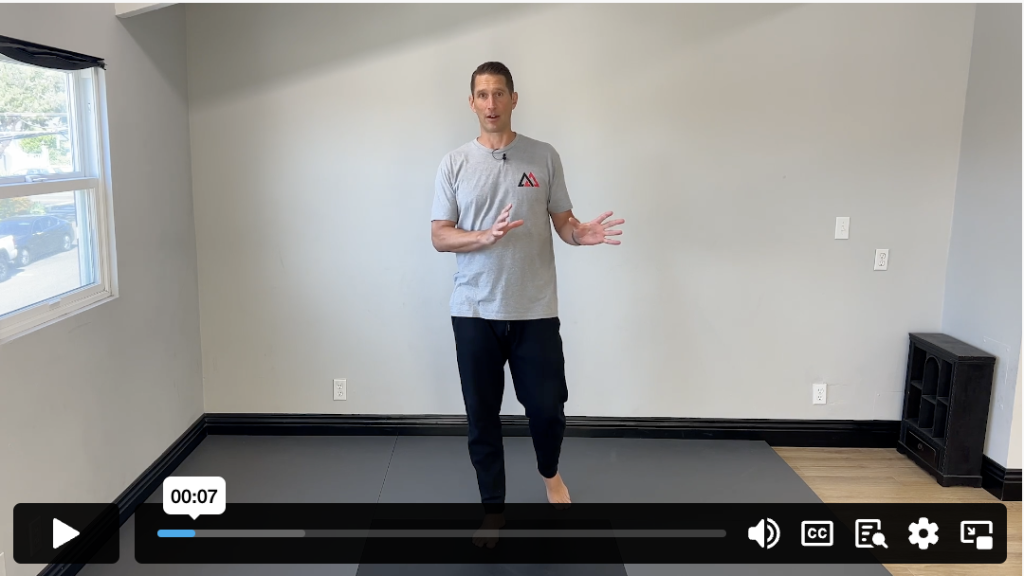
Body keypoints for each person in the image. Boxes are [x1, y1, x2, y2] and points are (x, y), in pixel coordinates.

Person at [430, 61, 623, 531]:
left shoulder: (543, 156)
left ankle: (549, 473)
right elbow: (439, 235)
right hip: (474, 310)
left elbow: (564, 222)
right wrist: (483, 236)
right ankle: (493, 508)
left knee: (547, 407)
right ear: (471, 102)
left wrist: (580, 234)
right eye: (482, 95)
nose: (491, 103)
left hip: (534, 309)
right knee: (482, 417)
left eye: (499, 93)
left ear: (514, 99)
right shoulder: (454, 163)